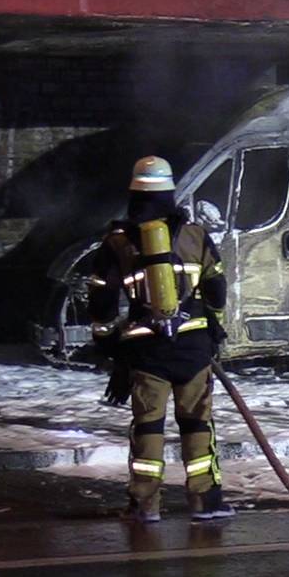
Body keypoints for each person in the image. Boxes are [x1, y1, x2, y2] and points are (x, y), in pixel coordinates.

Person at [89, 155, 234, 523]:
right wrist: (213, 329)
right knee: (197, 423)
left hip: (146, 351)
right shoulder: (195, 235)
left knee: (148, 427)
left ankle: (144, 504)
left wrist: (107, 341)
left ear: (134, 193)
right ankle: (204, 502)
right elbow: (217, 288)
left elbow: (102, 301)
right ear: (171, 192)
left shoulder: (118, 242)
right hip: (193, 350)